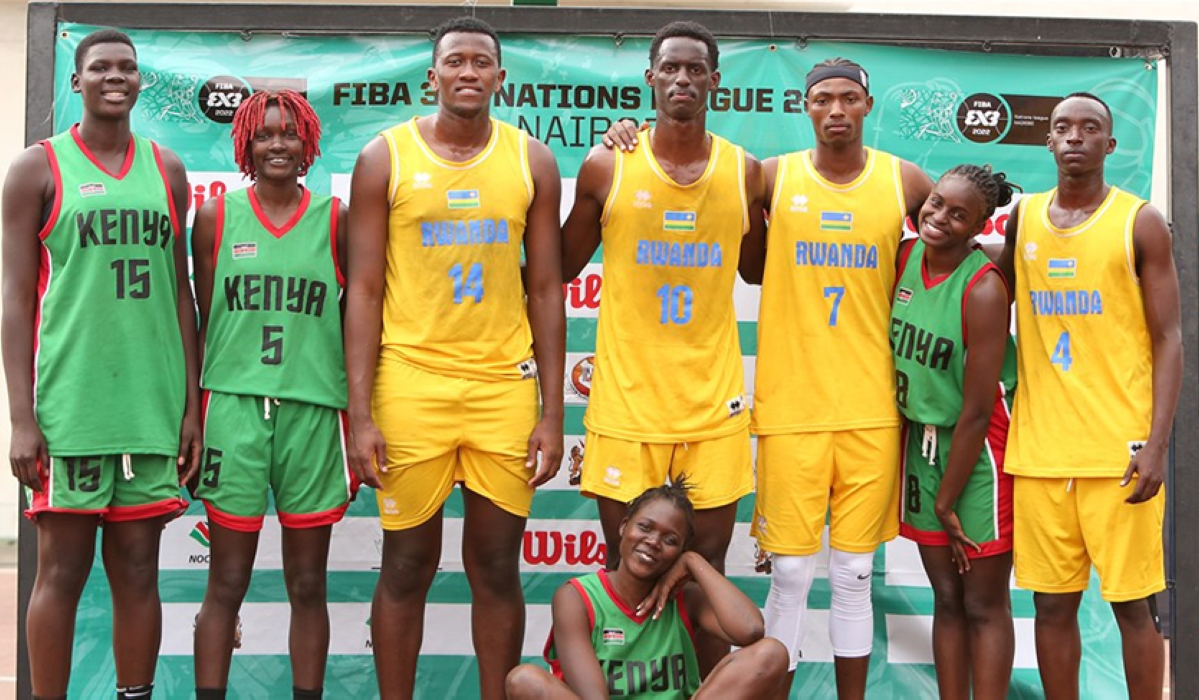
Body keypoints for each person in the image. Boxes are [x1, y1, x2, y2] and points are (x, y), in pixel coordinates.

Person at [343, 17, 565, 700]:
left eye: (481, 62)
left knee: (495, 566)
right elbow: (364, 290)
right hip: (411, 384)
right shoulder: (385, 157)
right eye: (455, 61)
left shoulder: (531, 160)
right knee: (407, 564)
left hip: (502, 387)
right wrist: (360, 414)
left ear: (501, 77)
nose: (468, 72)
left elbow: (545, 287)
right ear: (431, 76)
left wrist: (552, 413)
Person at [1, 29, 199, 700]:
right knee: (60, 572)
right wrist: (22, 418)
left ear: (141, 81)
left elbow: (180, 293)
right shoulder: (37, 169)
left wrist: (190, 407)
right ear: (76, 80)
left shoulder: (167, 169)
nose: (116, 77)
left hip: (148, 404)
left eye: (128, 68)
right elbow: (15, 302)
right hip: (72, 406)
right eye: (101, 67)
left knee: (139, 572)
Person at [563, 21, 766, 672]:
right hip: (628, 405)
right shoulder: (609, 164)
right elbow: (561, 265)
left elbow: (759, 269)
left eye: (695, 69)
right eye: (670, 68)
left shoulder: (744, 172)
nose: (682, 79)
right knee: (623, 575)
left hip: (712, 407)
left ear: (715, 81)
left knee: (706, 574)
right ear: (650, 77)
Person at [741, 58, 932, 700]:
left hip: (871, 408)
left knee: (853, 574)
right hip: (790, 407)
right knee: (790, 574)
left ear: (867, 105)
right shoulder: (772, 176)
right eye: (823, 98)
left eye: (849, 98)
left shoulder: (902, 180)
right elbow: (735, 247)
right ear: (806, 106)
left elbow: (955, 240)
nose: (836, 110)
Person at [996, 92, 1180, 700]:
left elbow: (1170, 338)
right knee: (1052, 607)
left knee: (1134, 607)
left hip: (1118, 455)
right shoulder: (1025, 217)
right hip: (1042, 454)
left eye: (1090, 127)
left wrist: (1156, 446)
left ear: (1110, 143)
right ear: (1048, 140)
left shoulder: (1139, 221)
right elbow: (987, 278)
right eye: (1063, 127)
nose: (1075, 136)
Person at [190, 89, 353, 700]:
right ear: (246, 145)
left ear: (308, 142)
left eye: (289, 133)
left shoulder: (336, 219)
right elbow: (205, 321)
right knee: (225, 582)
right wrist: (193, 416)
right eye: (265, 134)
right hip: (233, 408)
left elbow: (358, 316)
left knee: (307, 585)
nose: (277, 144)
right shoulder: (216, 217)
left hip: (312, 410)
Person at [893, 165, 1018, 699]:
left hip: (978, 451)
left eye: (958, 214)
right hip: (922, 447)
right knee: (946, 598)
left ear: (979, 227)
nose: (940, 217)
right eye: (937, 202)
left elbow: (976, 410)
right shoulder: (904, 256)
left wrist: (947, 502)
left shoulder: (983, 288)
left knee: (983, 604)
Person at [505, 482, 790, 700]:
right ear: (624, 526)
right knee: (524, 680)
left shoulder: (686, 597)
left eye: (670, 540)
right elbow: (593, 698)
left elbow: (751, 630)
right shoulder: (577, 597)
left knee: (772, 653)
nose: (653, 541)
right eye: (644, 527)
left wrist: (694, 562)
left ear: (680, 551)